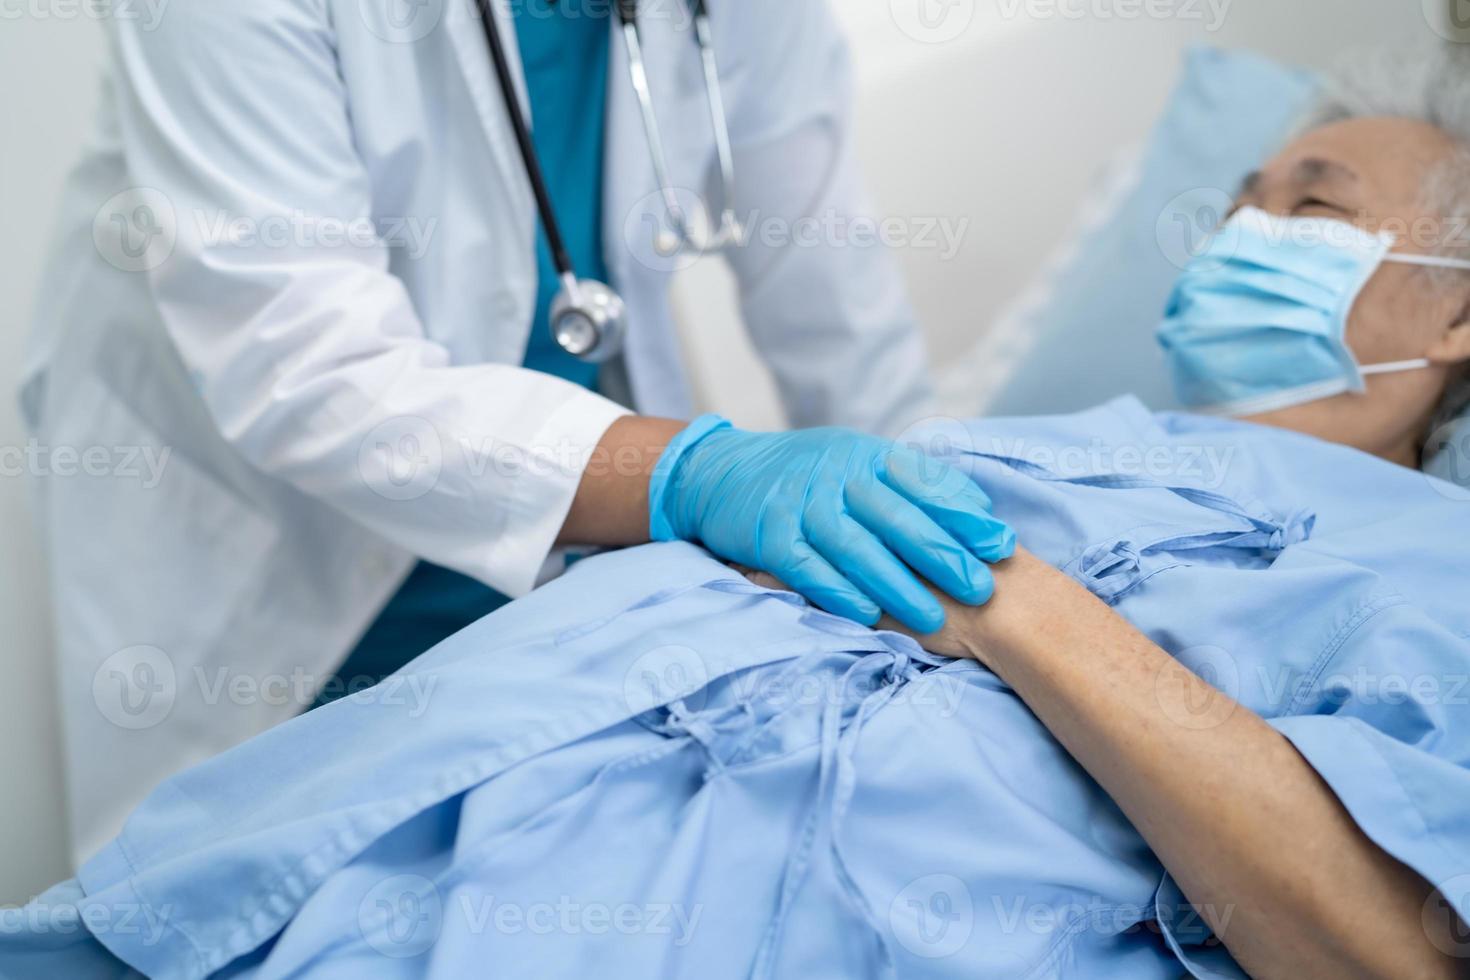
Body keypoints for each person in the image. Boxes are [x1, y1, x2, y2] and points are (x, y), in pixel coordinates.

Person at [8, 45, 1470, 980]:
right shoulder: (1051, 449)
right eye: (1237, 198)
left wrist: (1011, 594)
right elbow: (305, 368)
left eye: (1315, 212)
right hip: (371, 790)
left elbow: (1391, 954)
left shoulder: (1425, 566)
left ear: (1458, 312)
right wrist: (708, 477)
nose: (1236, 234)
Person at [17, 0, 1009, 862]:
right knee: (284, 882)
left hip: (558, 548)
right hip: (273, 550)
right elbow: (305, 364)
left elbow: (829, 278)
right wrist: (694, 468)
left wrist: (940, 491)